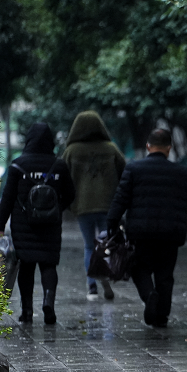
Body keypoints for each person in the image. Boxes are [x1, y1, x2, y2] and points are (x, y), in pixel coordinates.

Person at [0, 123, 76, 325]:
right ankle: (48, 302)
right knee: (49, 264)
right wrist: (55, 210)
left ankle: (27, 311)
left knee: (27, 267)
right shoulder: (59, 165)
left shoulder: (18, 165)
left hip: (24, 225)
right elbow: (71, 195)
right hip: (51, 226)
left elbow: (8, 199)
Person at [107, 129, 187, 327]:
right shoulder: (181, 172)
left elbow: (121, 198)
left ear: (148, 147)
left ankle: (148, 295)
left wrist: (112, 223)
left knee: (140, 269)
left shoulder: (134, 168)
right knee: (165, 275)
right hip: (171, 232)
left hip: (140, 231)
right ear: (169, 148)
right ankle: (162, 316)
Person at [62, 110, 126, 301]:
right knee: (106, 244)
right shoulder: (111, 149)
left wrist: (70, 204)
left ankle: (91, 287)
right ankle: (105, 274)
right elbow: (125, 173)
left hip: (83, 207)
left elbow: (63, 178)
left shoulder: (71, 151)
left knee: (89, 246)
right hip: (108, 206)